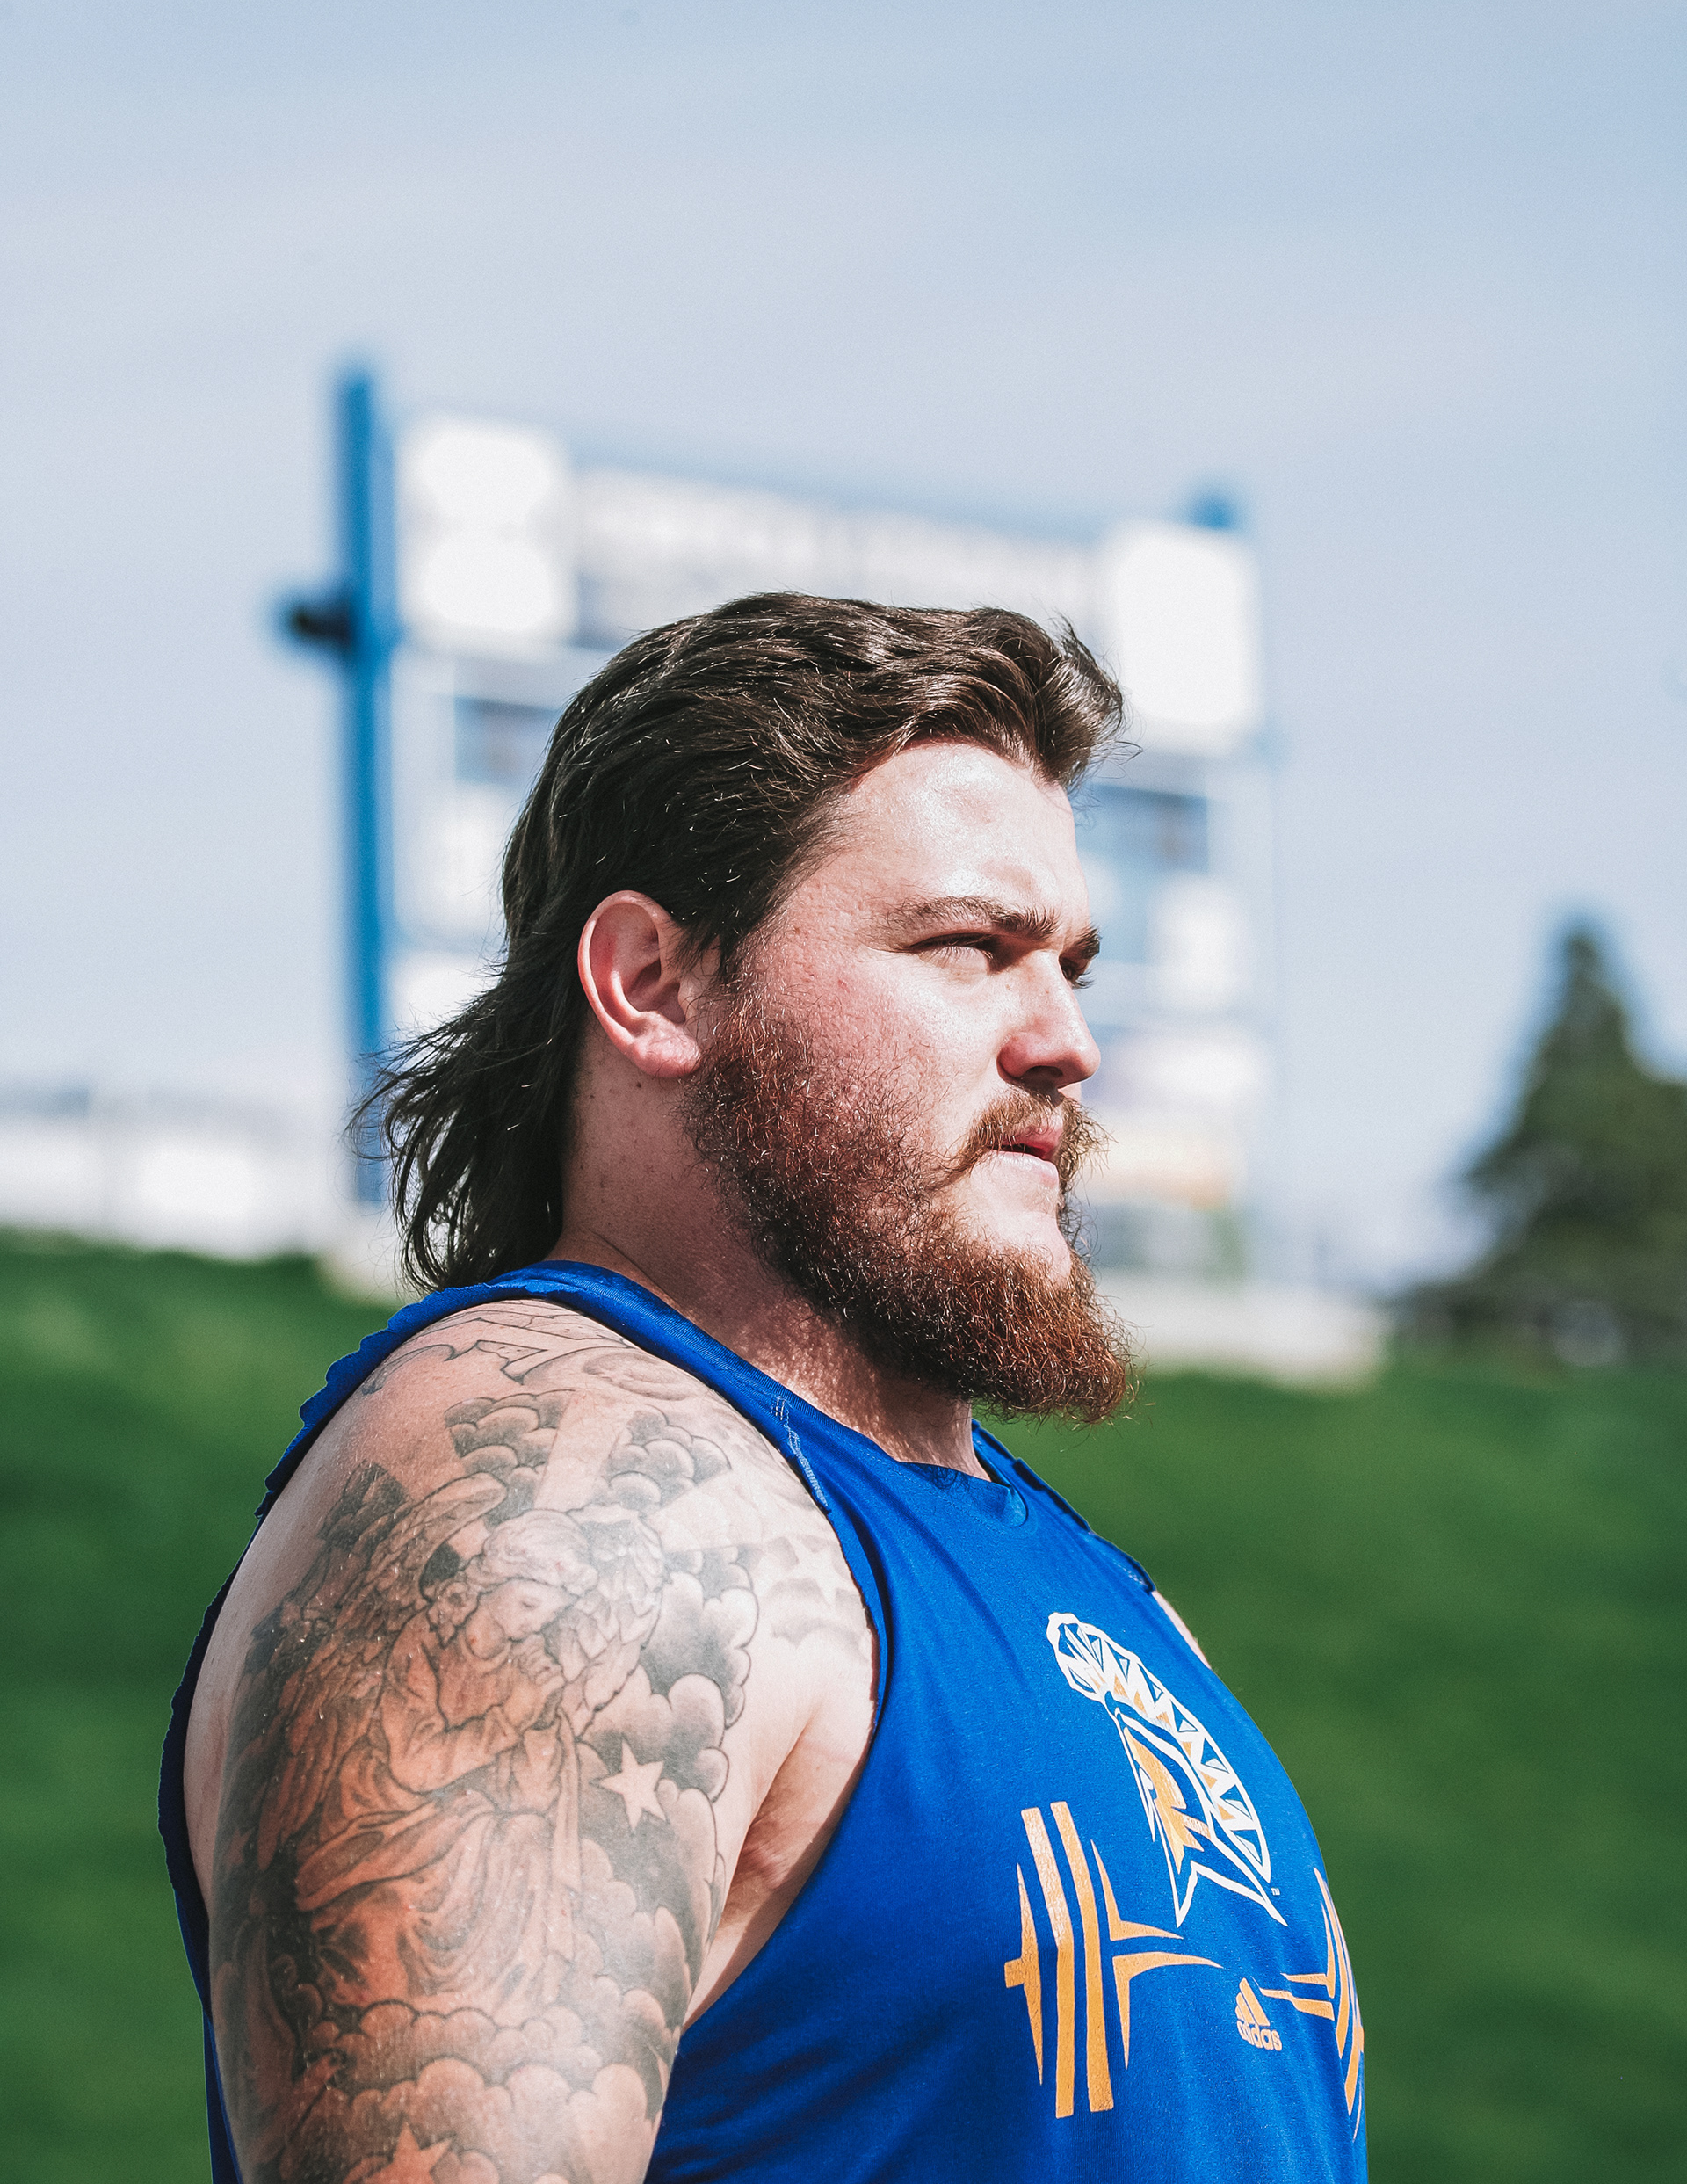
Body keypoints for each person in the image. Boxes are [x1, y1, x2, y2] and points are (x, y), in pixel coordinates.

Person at [163, 592, 1365, 2184]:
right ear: (653, 982)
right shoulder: (557, 1497)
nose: (1067, 1042)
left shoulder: (1091, 1589)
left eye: (1072, 964)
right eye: (969, 948)